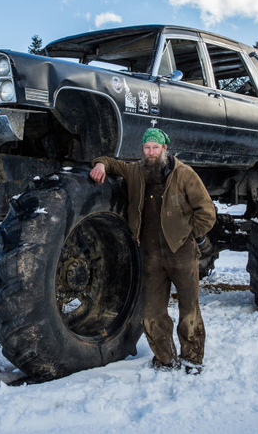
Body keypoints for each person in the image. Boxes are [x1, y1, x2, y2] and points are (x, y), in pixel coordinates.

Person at [90, 127, 216, 373]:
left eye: (155, 148)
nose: (150, 152)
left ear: (165, 149)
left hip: (181, 253)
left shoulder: (184, 174)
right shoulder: (135, 171)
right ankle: (165, 358)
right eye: (147, 148)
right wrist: (101, 166)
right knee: (151, 312)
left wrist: (187, 235)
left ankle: (192, 358)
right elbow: (110, 162)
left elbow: (207, 213)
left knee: (189, 309)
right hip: (151, 255)